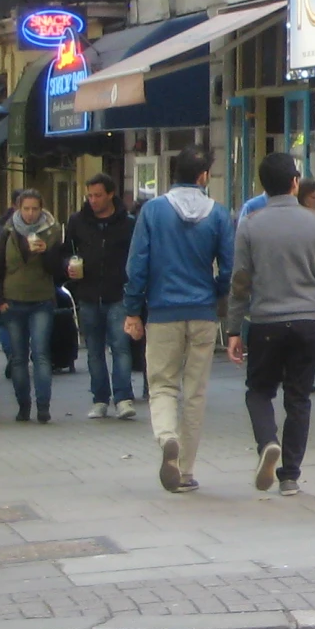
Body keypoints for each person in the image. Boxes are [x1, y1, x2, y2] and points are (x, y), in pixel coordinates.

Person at [226, 151, 315, 498]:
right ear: (295, 183)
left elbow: (240, 281)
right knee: (299, 398)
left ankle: (268, 441)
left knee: (259, 391)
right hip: (307, 321)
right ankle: (290, 475)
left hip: (266, 321)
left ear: (263, 187)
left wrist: (234, 329)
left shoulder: (250, 225)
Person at [124, 149, 234, 494]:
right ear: (203, 177)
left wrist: (132, 310)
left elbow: (137, 265)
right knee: (195, 392)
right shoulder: (218, 215)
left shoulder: (153, 211)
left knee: (162, 384)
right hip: (202, 312)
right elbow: (231, 268)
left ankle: (167, 437)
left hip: (162, 312)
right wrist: (215, 292)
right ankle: (185, 471)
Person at [64, 175, 138, 419]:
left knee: (120, 346)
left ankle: (124, 398)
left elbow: (137, 256)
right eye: (90, 196)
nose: (93, 200)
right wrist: (68, 267)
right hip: (88, 293)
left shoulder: (127, 223)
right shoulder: (78, 221)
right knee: (94, 350)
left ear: (110, 194)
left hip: (118, 293)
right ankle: (99, 399)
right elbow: (66, 252)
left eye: (97, 195)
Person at [0, 188, 63, 424]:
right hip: (13, 301)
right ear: (18, 209)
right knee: (18, 358)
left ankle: (43, 407)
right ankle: (23, 406)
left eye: (35, 209)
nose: (30, 214)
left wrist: (46, 253)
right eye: (26, 209)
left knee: (40, 354)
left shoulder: (52, 231)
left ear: (42, 209)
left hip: (41, 300)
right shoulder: (8, 231)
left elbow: (57, 271)